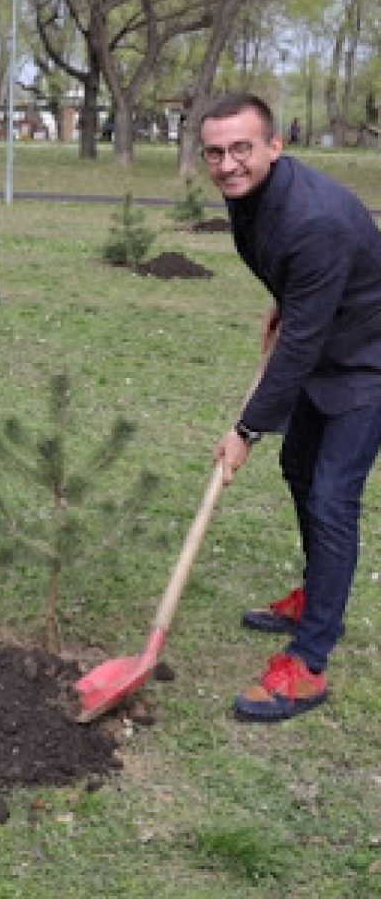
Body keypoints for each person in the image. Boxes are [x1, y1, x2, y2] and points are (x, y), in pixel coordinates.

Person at [200, 92, 381, 721]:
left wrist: (247, 429)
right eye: (216, 152)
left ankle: (309, 664)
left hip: (368, 362)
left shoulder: (314, 219)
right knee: (300, 470)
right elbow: (300, 298)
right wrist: (299, 297)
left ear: (275, 146)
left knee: (332, 496)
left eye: (242, 148)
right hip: (329, 339)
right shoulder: (251, 201)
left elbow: (299, 346)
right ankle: (317, 596)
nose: (228, 164)